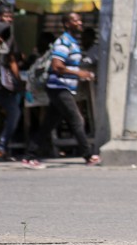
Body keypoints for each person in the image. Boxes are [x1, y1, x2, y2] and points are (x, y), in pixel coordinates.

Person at [22, 12, 97, 168]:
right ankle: (88, 156)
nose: (80, 22)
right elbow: (57, 66)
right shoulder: (63, 42)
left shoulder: (72, 42)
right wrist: (79, 73)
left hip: (63, 88)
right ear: (67, 24)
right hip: (58, 87)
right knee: (76, 119)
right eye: (76, 20)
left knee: (48, 124)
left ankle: (30, 156)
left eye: (80, 19)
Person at [0, 3, 23, 160]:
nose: (9, 19)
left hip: (5, 84)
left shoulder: (9, 36)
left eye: (11, 17)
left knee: (15, 114)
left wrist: (19, 80)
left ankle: (1, 147)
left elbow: (12, 60)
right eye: (6, 16)